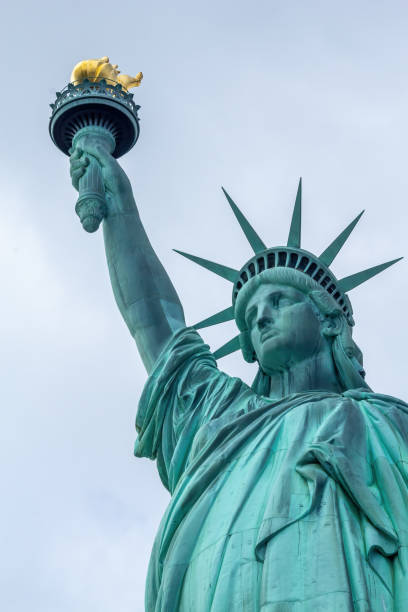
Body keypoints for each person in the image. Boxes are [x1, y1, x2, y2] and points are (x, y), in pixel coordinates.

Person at [70, 141, 408, 612]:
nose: (262, 318)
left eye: (279, 302)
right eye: (251, 316)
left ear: (330, 320)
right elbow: (154, 324)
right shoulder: (221, 420)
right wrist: (120, 209)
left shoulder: (391, 425)